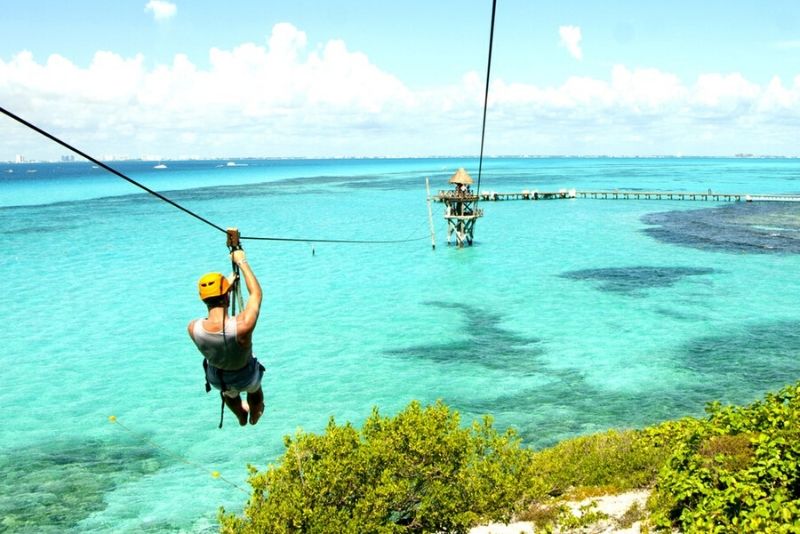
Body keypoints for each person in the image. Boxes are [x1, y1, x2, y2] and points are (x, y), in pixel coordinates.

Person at [188, 249, 264, 426]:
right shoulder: (242, 325)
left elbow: (215, 322)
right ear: (227, 295)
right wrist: (241, 261)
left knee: (228, 392)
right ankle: (254, 416)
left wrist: (225, 290)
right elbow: (256, 294)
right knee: (255, 392)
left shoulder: (193, 328)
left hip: (218, 378)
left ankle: (240, 416)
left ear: (203, 299)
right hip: (246, 376)